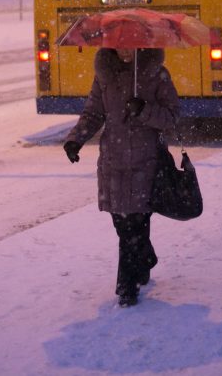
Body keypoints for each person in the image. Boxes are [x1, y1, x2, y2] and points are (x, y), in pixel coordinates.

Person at [62, 47, 179, 307]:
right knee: (122, 224)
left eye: (131, 45)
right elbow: (93, 113)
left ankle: (126, 289)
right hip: (113, 163)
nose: (126, 50)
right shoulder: (104, 75)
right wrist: (75, 140)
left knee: (133, 224)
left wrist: (145, 110)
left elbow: (172, 117)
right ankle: (146, 259)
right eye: (121, 45)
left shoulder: (156, 75)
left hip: (145, 163)